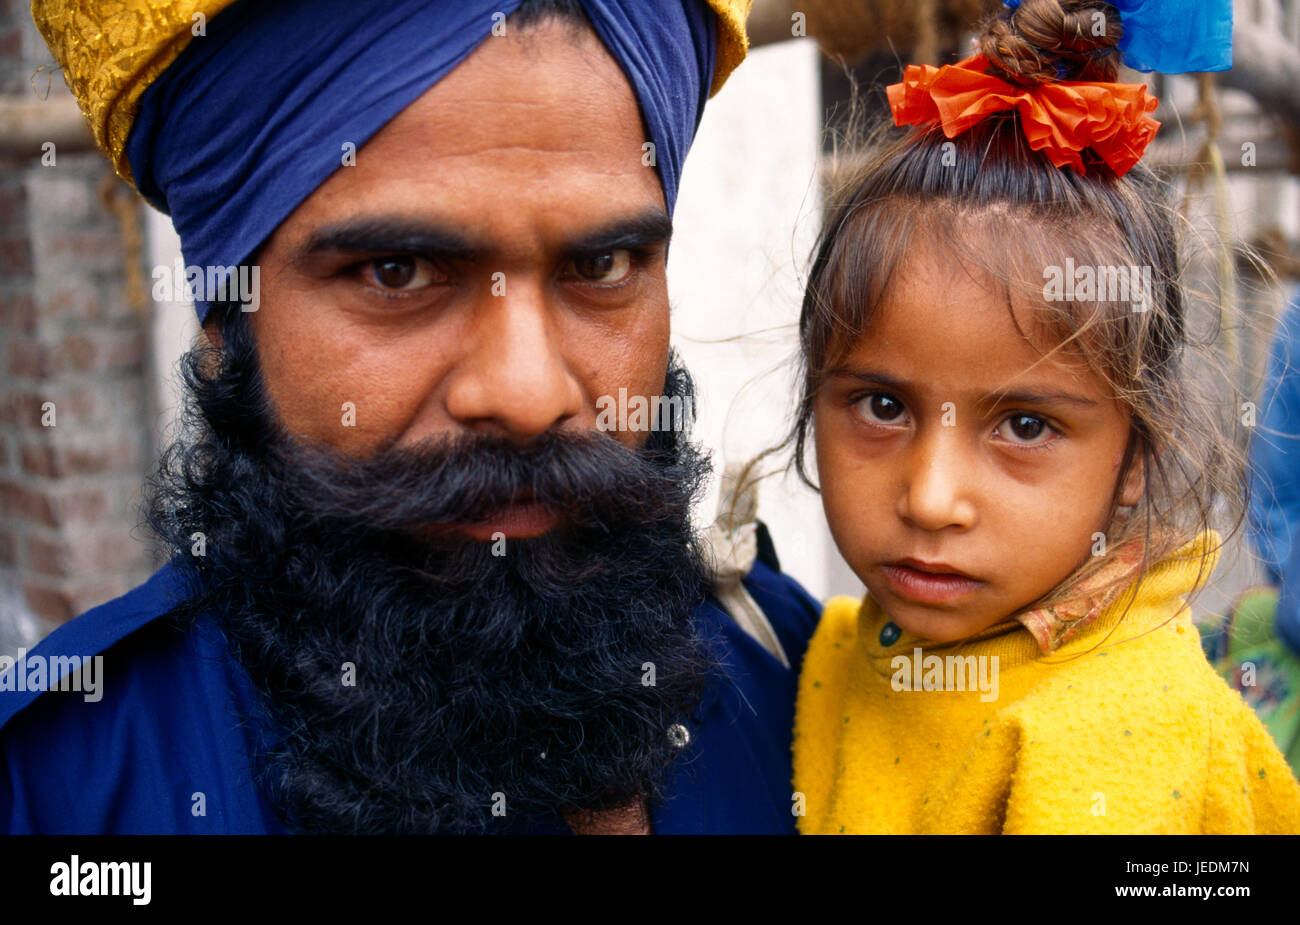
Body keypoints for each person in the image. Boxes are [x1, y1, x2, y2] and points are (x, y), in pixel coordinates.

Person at [1, 0, 821, 834]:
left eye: (601, 264)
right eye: (398, 272)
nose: (529, 395)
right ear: (225, 323)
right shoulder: (54, 789)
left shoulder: (799, 682)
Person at [784, 0, 1300, 833]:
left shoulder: (1118, 740)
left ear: (1137, 452)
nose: (930, 498)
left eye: (1024, 425)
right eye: (882, 406)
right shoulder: (847, 650)